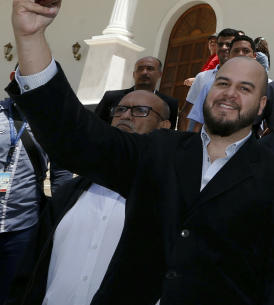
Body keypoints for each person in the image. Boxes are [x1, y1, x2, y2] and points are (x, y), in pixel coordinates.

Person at [9, 0, 274, 305]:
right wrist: (31, 39)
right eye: (222, 83)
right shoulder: (158, 150)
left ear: (262, 104)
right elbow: (75, 138)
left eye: (245, 88)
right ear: (208, 90)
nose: (229, 94)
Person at [11, 90, 172, 305]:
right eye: (120, 109)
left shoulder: (171, 200)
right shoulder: (68, 194)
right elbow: (30, 271)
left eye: (141, 111)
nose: (125, 116)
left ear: (164, 127)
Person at [0, 92, 71, 303]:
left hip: (22, 228)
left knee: (14, 292)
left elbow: (62, 174)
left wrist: (60, 216)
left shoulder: (53, 122)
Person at [186, 34, 264, 130]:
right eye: (236, 51)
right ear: (230, 54)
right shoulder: (210, 86)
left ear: (254, 56)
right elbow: (197, 123)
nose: (240, 54)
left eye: (246, 51)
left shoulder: (265, 86)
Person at [94, 55, 179, 128]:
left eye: (150, 69)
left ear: (160, 74)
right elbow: (96, 125)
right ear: (134, 74)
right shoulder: (111, 97)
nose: (144, 72)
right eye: (140, 69)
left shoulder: (170, 103)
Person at [181, 27, 239, 129]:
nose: (224, 47)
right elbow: (187, 111)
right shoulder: (202, 77)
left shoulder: (248, 79)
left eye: (229, 45)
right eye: (220, 44)